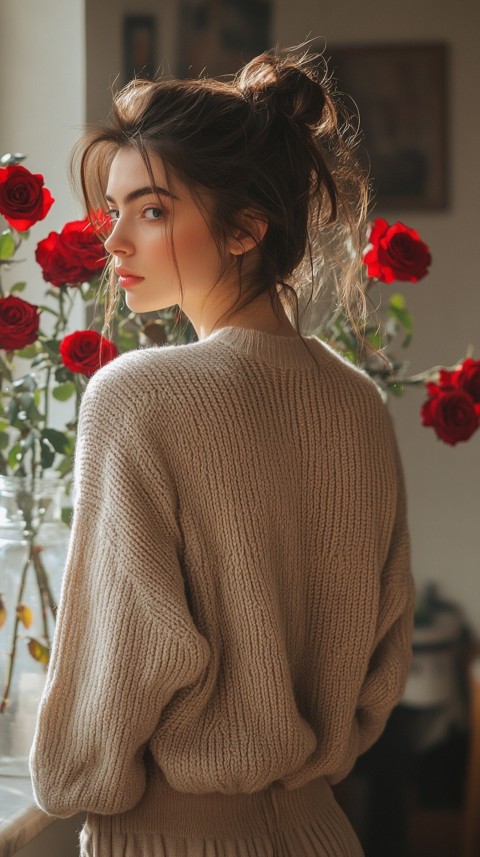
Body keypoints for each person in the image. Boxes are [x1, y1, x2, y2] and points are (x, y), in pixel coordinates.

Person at [29, 47, 415, 857]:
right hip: (322, 831)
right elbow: (383, 664)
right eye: (115, 209)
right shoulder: (359, 408)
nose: (116, 241)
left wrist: (66, 789)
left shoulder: (137, 397)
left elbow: (124, 659)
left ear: (246, 227)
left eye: (154, 210)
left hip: (170, 839)